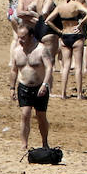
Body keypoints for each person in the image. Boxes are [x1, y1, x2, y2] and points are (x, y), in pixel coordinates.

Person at [10, 23, 52, 152]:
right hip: (24, 86)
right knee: (25, 114)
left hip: (40, 86)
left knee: (41, 116)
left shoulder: (41, 49)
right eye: (19, 37)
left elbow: (49, 67)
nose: (20, 40)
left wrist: (45, 84)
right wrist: (11, 87)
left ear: (31, 36)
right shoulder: (16, 51)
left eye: (23, 37)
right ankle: (24, 144)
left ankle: (45, 142)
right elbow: (14, 70)